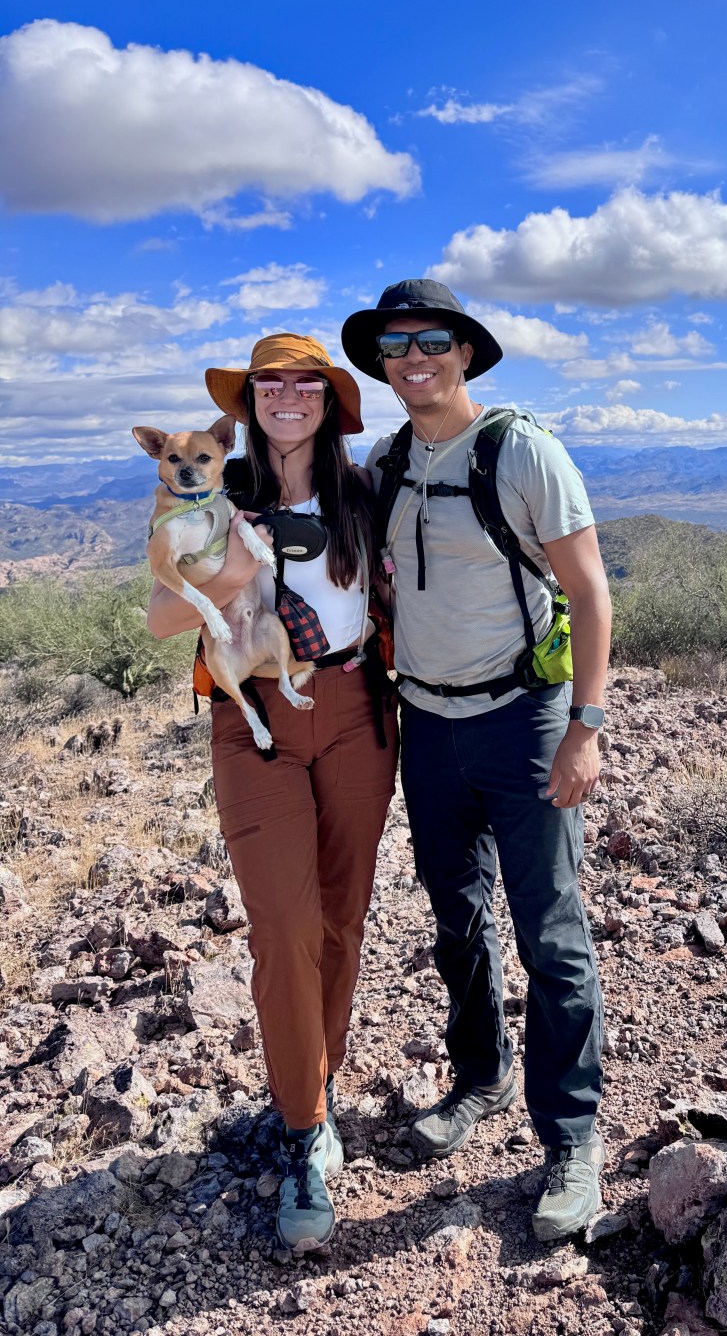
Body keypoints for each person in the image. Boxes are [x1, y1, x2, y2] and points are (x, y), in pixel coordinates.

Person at [341, 280, 611, 1242]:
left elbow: (589, 586)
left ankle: (571, 1140)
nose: (414, 356)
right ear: (382, 362)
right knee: (455, 919)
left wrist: (585, 727)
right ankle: (481, 1078)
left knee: (551, 933)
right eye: (396, 344)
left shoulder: (520, 450)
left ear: (465, 353)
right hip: (426, 724)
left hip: (524, 721)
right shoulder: (388, 460)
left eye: (433, 340)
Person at [146, 334, 398, 1254]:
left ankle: (314, 1086)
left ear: (329, 401)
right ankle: (301, 1129)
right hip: (254, 717)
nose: (287, 395)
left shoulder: (362, 492)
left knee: (343, 918)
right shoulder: (219, 491)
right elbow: (162, 613)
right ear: (249, 402)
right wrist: (242, 564)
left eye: (307, 382)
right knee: (283, 925)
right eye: (269, 383)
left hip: (357, 707)